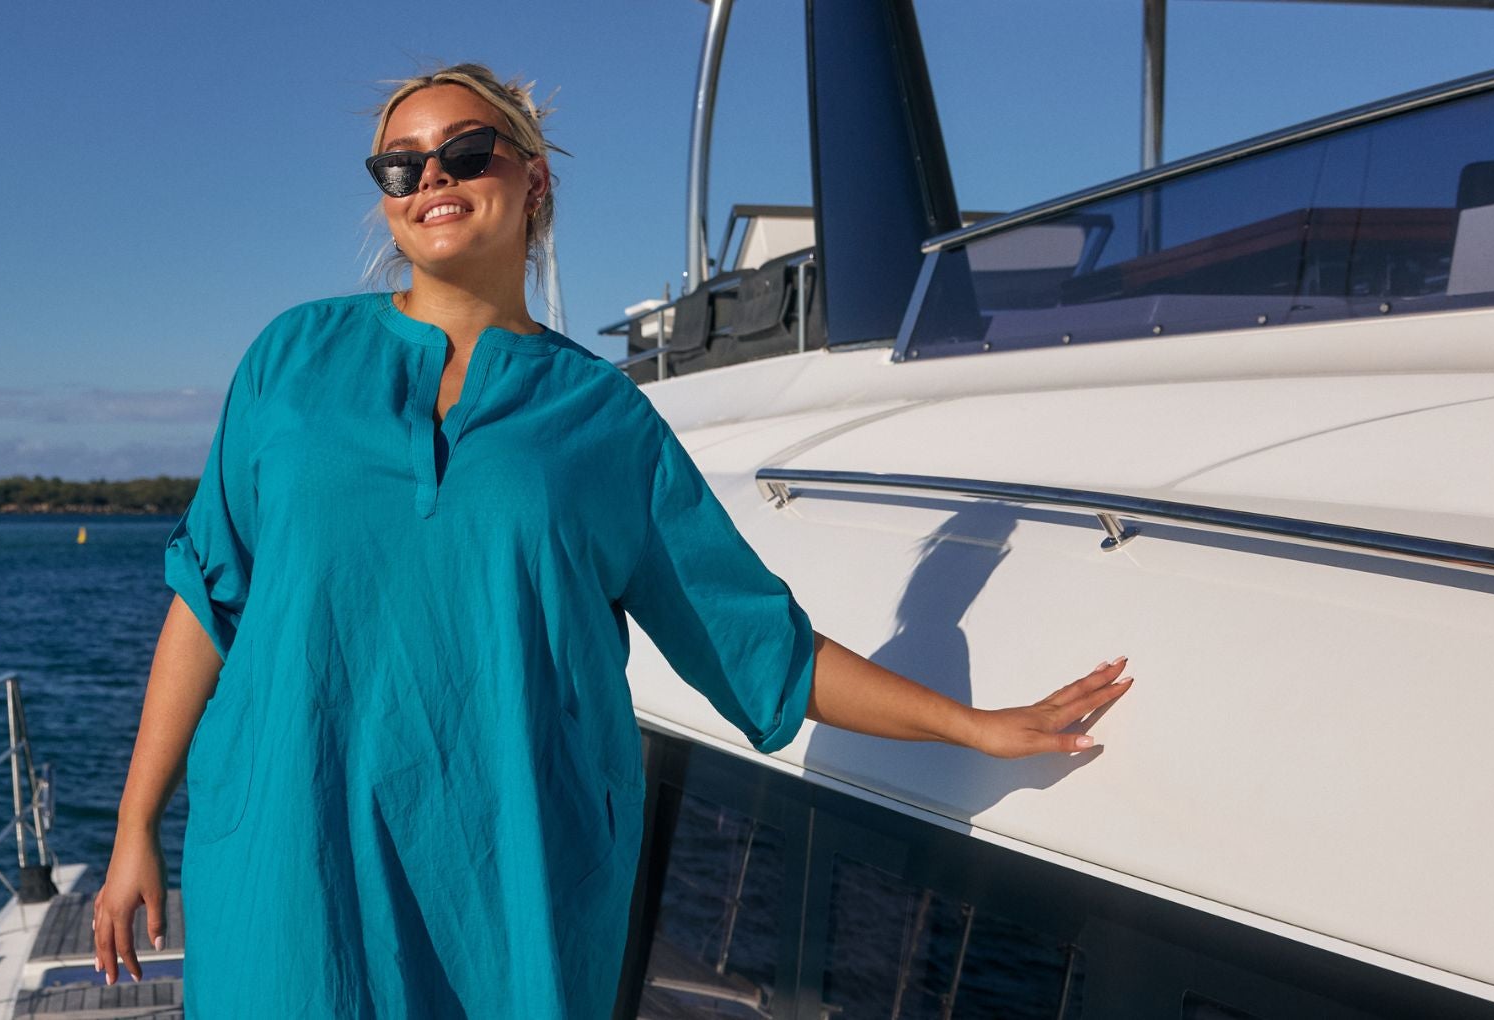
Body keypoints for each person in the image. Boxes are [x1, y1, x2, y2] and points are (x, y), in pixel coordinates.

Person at [90, 62, 1132, 1017]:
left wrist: (972, 726)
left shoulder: (604, 423)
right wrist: (135, 825)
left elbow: (757, 649)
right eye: (400, 165)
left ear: (532, 181)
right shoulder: (290, 362)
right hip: (288, 870)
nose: (431, 177)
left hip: (505, 893)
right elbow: (206, 601)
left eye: (465, 151)